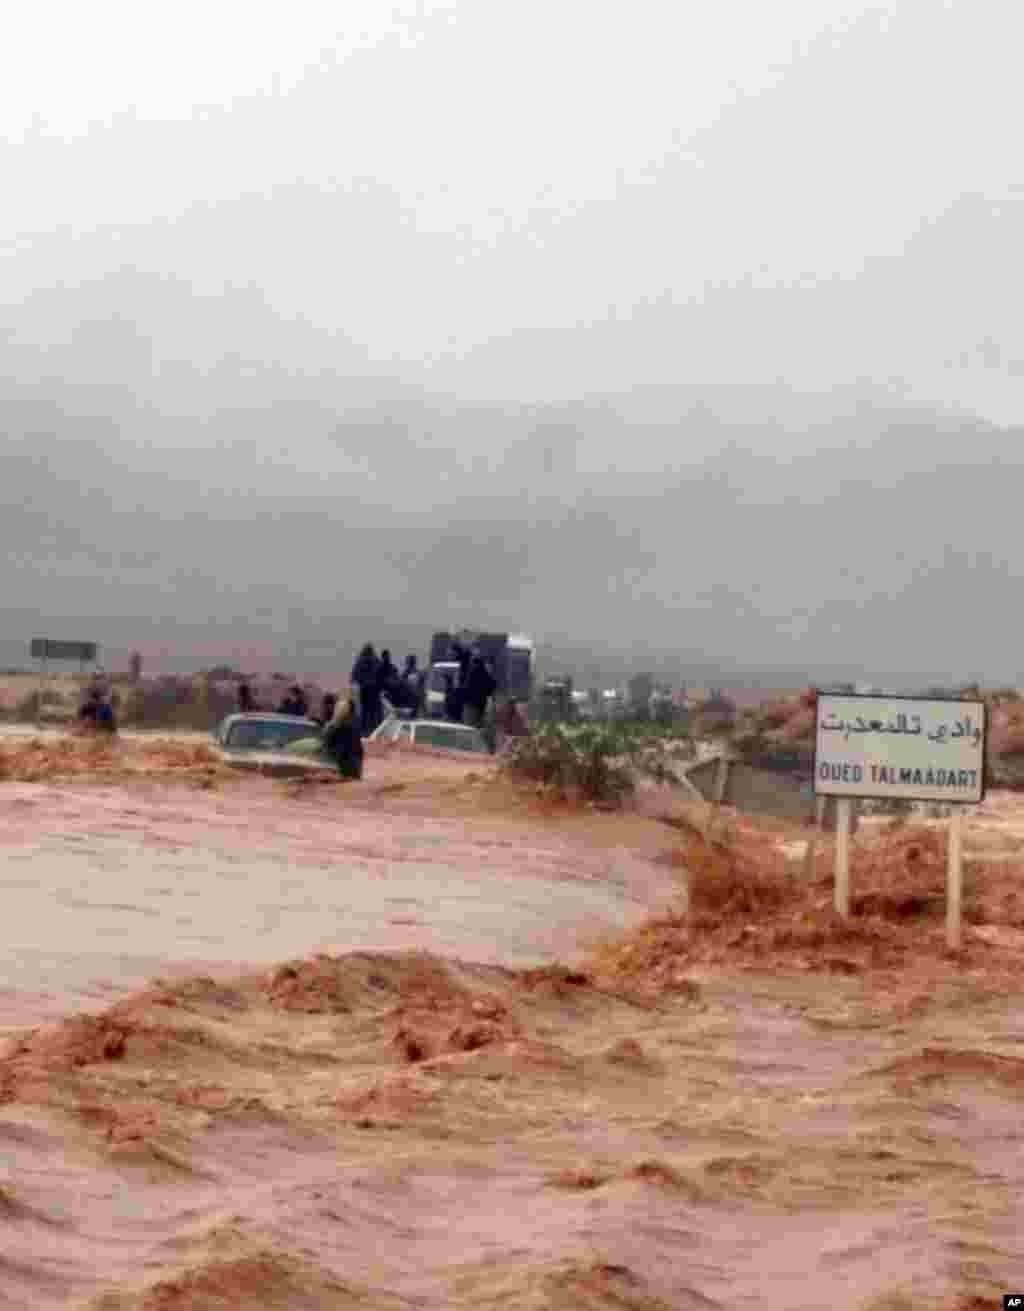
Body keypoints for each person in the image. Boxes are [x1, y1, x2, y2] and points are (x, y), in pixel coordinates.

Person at [322, 690, 364, 780]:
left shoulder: (345, 724)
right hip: (349, 762)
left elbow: (332, 740)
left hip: (348, 762)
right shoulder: (348, 722)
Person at [351, 644, 382, 734]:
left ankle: (365, 732)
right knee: (375, 714)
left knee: (365, 713)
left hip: (365, 691)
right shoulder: (376, 661)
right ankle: (375, 731)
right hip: (374, 692)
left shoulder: (360, 661)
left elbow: (354, 677)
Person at [462, 654, 497, 729]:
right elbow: (490, 692)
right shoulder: (483, 675)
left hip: (472, 706)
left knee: (469, 728)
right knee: (473, 728)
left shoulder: (475, 672)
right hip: (475, 706)